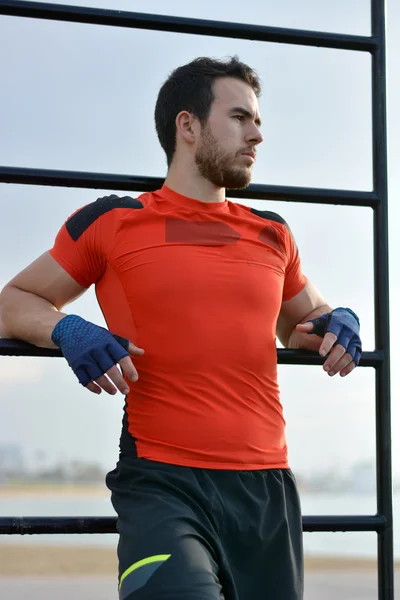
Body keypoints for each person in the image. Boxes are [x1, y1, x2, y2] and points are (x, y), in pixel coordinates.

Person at [0, 56, 361, 600]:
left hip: (267, 487)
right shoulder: (114, 221)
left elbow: (305, 321)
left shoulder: (273, 234)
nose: (257, 134)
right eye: (240, 117)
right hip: (163, 483)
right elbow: (14, 300)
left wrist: (341, 323)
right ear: (187, 126)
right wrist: (69, 330)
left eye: (258, 121)